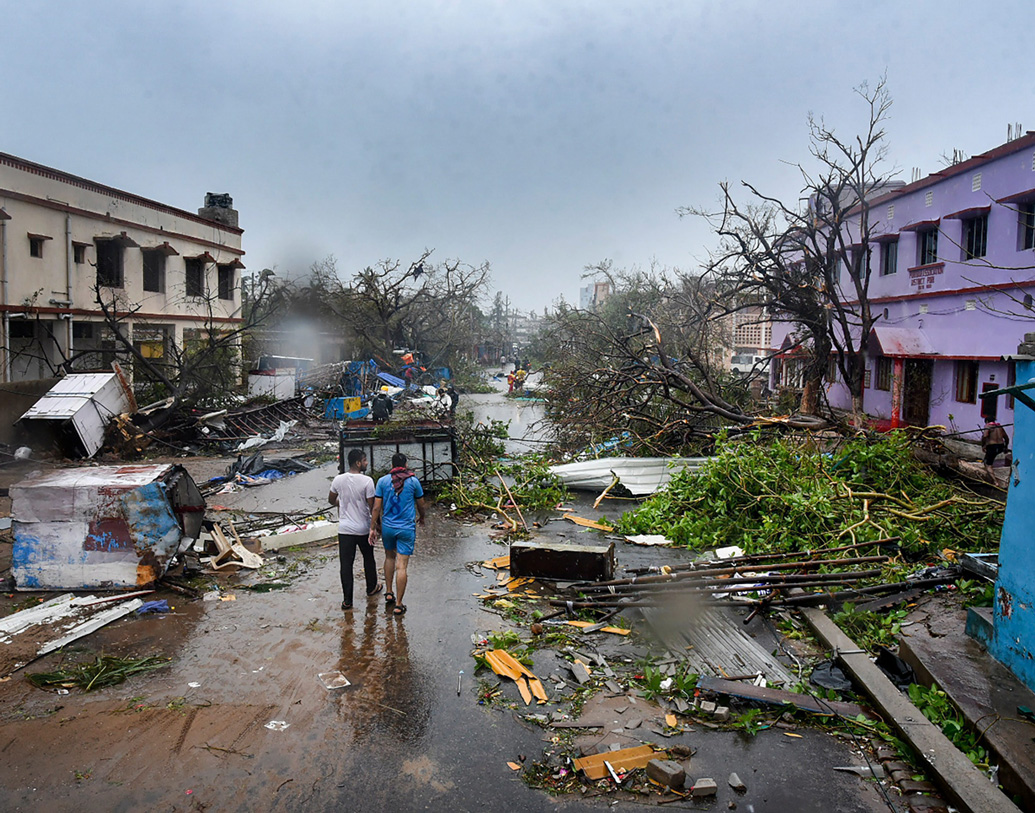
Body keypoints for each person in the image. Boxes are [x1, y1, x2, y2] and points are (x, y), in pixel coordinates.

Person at [369, 452, 426, 616]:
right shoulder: (413, 481)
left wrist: (373, 526)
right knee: (402, 566)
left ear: (392, 465)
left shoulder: (382, 481)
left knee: (389, 557)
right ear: (406, 465)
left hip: (388, 528)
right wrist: (422, 517)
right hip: (406, 529)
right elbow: (421, 504)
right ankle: (399, 604)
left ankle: (388, 592)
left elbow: (376, 507)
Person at [328, 449, 382, 610]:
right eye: (364, 460)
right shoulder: (367, 481)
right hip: (363, 528)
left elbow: (331, 500)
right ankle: (371, 587)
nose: (366, 463)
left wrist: (343, 502)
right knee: (368, 558)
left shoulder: (338, 479)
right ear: (358, 463)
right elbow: (373, 507)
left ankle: (347, 601)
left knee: (346, 565)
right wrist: (376, 525)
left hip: (345, 529)